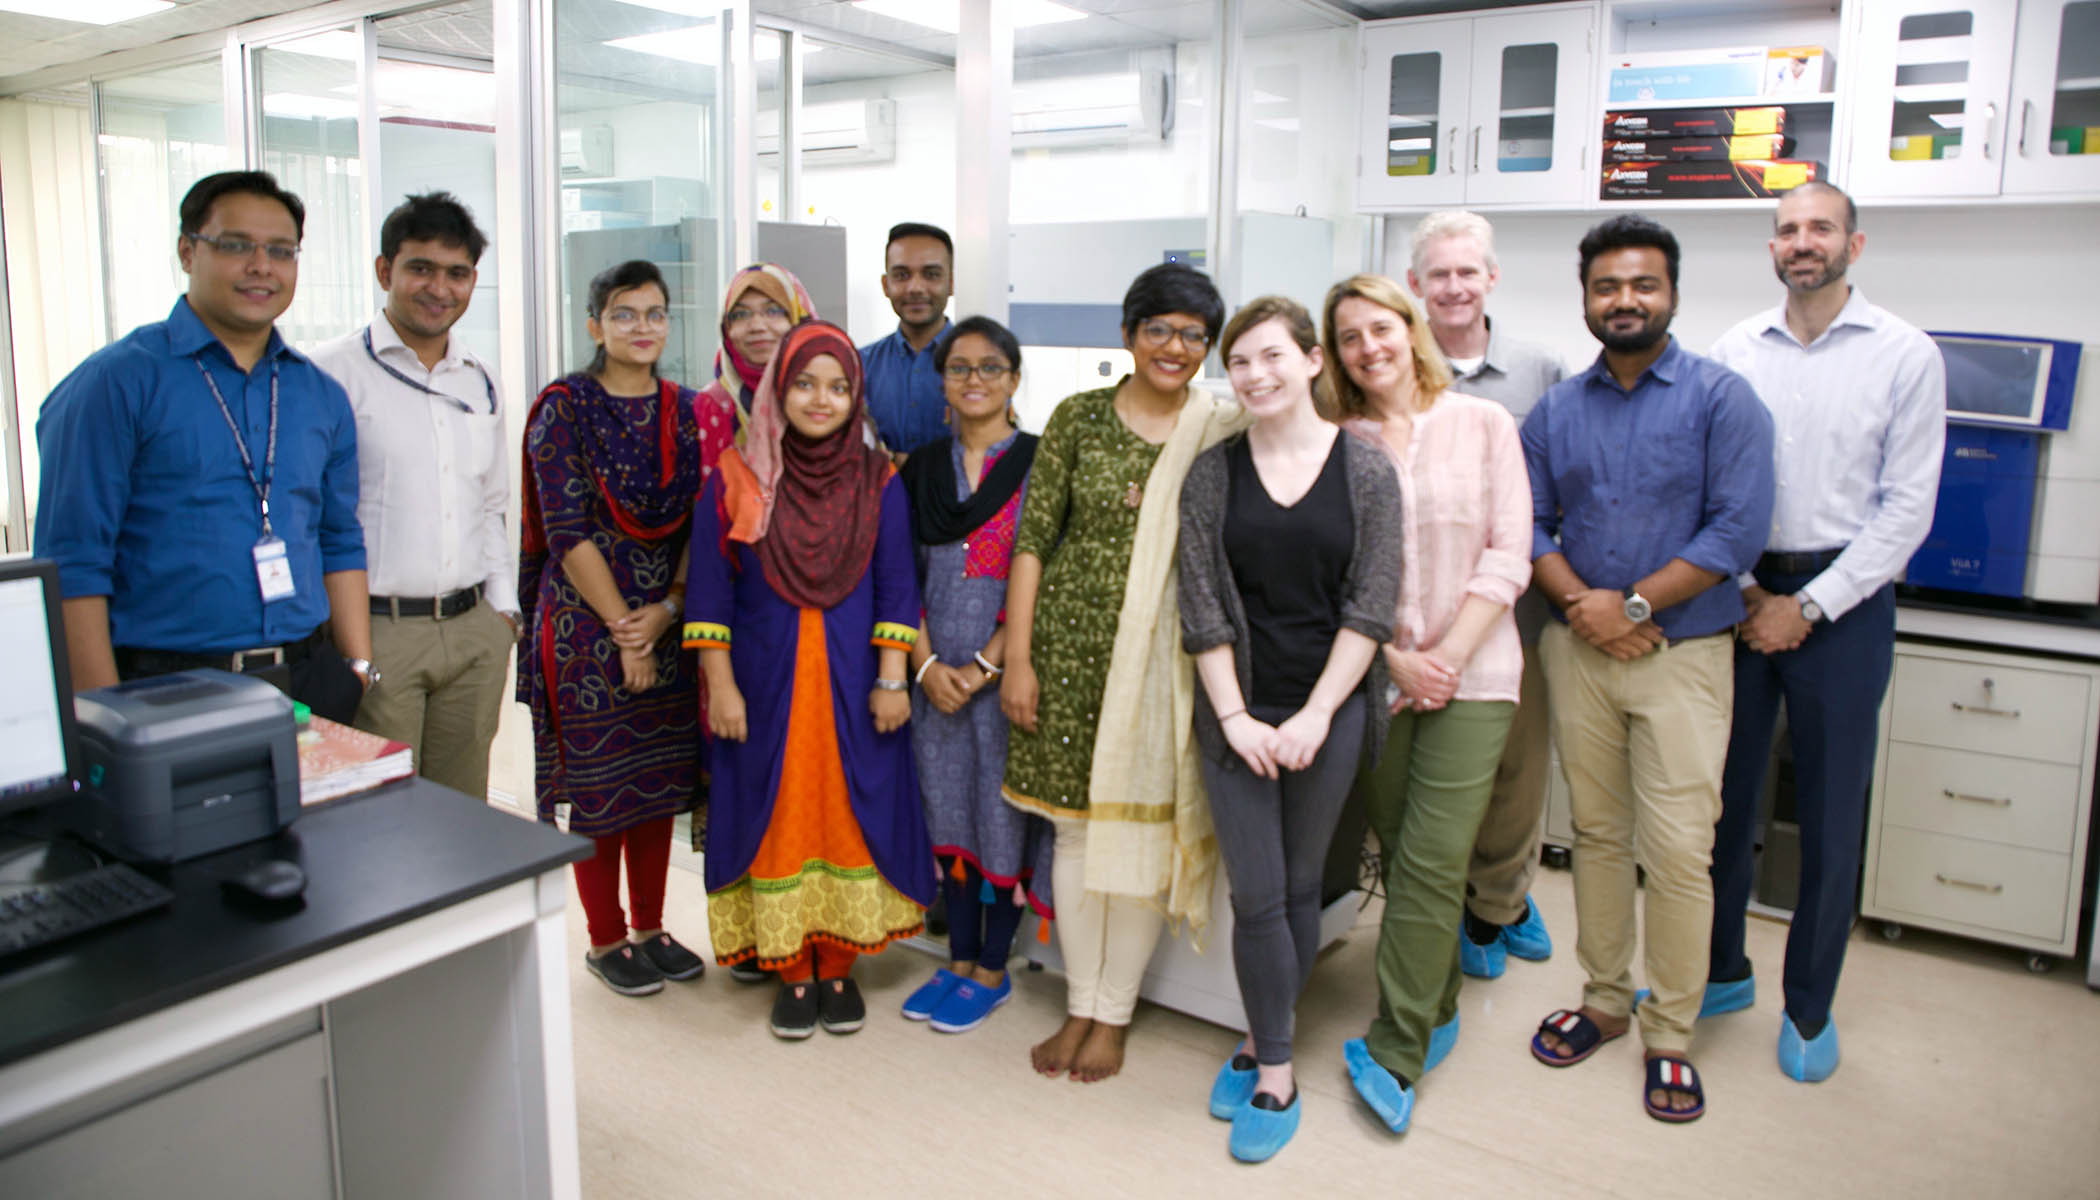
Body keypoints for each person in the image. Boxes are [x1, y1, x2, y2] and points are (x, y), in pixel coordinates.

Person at [1522, 215, 1773, 1124]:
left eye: (1643, 285)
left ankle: (1670, 1028)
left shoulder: (1721, 399)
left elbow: (1735, 531)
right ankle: (1603, 999)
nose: (1624, 301)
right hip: (1578, 648)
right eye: (1606, 287)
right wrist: (1585, 609)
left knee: (1677, 851)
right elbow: (1529, 523)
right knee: (1594, 834)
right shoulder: (1556, 409)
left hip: (1684, 654)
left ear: (1671, 292)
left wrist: (1627, 605)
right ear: (1586, 296)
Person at [1705, 182, 1945, 1083]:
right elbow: (1711, 484)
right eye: (1787, 230)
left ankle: (1808, 1008)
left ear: (1855, 243)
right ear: (1772, 248)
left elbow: (1907, 510)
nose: (1802, 243)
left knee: (1833, 817)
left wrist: (1806, 607)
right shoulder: (1734, 350)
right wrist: (1747, 590)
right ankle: (1722, 971)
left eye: (1819, 228)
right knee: (1720, 806)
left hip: (1845, 604)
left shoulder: (1905, 355)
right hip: (1740, 590)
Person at [1000, 262, 1247, 1084]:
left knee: (1138, 834)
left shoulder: (1222, 429)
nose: (1174, 347)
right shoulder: (1078, 418)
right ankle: (1079, 1003)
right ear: (1128, 334)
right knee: (1074, 833)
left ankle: (1113, 1016)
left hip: (1164, 665)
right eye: (1158, 330)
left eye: (1191, 335)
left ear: (1207, 347)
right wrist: (1020, 659)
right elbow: (1033, 542)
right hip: (1068, 655)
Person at [1179, 296, 1402, 1162]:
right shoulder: (1213, 473)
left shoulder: (1367, 468)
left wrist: (1317, 713)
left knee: (1304, 885)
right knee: (1256, 892)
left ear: (1313, 361)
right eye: (1239, 363)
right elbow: (1200, 605)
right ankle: (1276, 1066)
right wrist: (1234, 716)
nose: (1255, 375)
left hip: (1330, 710)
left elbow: (1372, 603)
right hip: (1235, 708)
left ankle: (1258, 1033)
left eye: (1273, 356)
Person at [35, 170, 371, 723]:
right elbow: (72, 565)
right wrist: (107, 719)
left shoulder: (319, 394)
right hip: (168, 689)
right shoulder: (116, 384)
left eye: (281, 251)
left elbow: (338, 537)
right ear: (187, 252)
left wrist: (357, 669)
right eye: (237, 246)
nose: (261, 266)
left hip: (310, 681)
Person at [1319, 276, 1532, 1137]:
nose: (1370, 348)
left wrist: (1441, 659)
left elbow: (1510, 553)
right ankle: (1438, 1002)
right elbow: (1332, 573)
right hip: (1378, 674)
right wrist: (1396, 660)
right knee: (1404, 852)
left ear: (1411, 330)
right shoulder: (1336, 441)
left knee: (1437, 858)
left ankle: (1398, 1043)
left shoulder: (1485, 424)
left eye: (1382, 328)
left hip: (1474, 678)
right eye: (1349, 338)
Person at [685, 320, 936, 1041]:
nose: (820, 399)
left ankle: (837, 964)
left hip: (856, 685)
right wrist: (722, 687)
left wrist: (894, 680)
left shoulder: (879, 479)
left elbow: (897, 586)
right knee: (778, 811)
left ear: (855, 395)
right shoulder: (738, 476)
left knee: (848, 812)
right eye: (803, 383)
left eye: (836, 385)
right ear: (776, 388)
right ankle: (791, 967)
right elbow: (710, 593)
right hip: (764, 686)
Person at [518, 259, 715, 998]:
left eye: (655, 313)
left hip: (668, 613)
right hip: (583, 620)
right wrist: (623, 629)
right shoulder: (563, 409)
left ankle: (652, 927)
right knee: (602, 789)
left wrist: (665, 613)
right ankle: (605, 939)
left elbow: (704, 518)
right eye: (625, 313)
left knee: (655, 782)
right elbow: (566, 532)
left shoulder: (692, 411)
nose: (642, 327)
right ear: (596, 325)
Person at [309, 192, 514, 798]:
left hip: (473, 629)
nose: (439, 287)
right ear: (384, 271)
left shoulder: (478, 378)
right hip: (378, 631)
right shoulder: (329, 374)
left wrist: (503, 615)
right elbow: (316, 519)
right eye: (420, 268)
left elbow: (490, 504)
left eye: (456, 273)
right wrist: (354, 653)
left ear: (473, 280)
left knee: (462, 814)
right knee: (383, 819)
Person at [1405, 211, 1566, 978]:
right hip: (1419, 610)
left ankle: (1497, 902)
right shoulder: (1392, 364)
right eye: (1439, 274)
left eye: (1468, 272)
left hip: (1514, 603)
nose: (1454, 287)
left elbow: (1555, 491)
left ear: (1491, 278)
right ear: (1416, 286)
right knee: (1437, 770)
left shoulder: (1540, 371)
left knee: (1516, 767)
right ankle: (1457, 901)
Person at [898, 316, 1052, 1035]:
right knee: (946, 813)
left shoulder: (1042, 463)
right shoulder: (920, 469)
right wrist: (925, 663)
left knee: (1002, 817)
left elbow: (1047, 575)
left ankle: (993, 966)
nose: (975, 380)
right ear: (943, 385)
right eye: (960, 368)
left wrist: (987, 663)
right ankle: (957, 957)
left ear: (1015, 380)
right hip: (933, 681)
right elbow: (898, 575)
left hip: (1006, 676)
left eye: (991, 368)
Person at [861, 222, 954, 458]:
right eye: (902, 275)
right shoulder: (859, 365)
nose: (915, 287)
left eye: (931, 275)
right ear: (886, 285)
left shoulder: (980, 366)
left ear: (951, 282)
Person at [699, 261, 817, 438]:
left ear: (798, 320)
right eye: (741, 314)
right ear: (726, 328)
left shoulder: (830, 396)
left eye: (773, 311)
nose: (757, 326)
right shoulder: (708, 406)